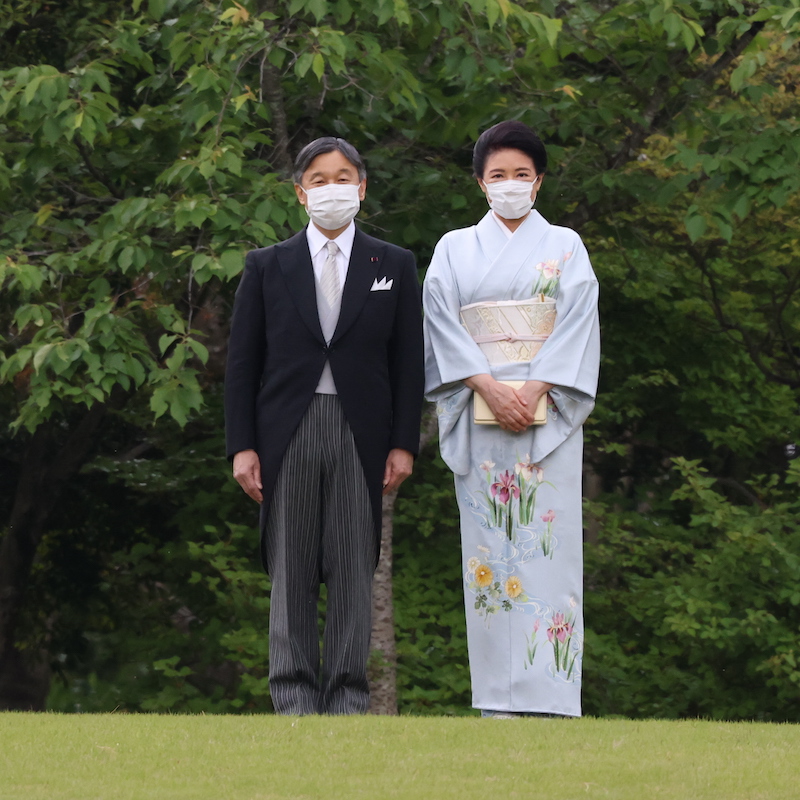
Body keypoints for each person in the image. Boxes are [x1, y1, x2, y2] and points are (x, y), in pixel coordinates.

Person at [225, 137, 424, 715]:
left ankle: (346, 696)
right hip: (286, 429)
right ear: (299, 193)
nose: (331, 188)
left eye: (343, 177)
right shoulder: (267, 265)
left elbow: (407, 364)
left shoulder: (394, 264)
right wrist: (242, 447)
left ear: (361, 188)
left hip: (363, 432)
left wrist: (402, 444)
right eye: (318, 178)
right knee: (289, 563)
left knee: (352, 561)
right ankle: (292, 695)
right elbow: (243, 365)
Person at [422, 121, 600, 718]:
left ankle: (552, 696)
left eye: (521, 174)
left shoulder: (567, 245)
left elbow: (577, 321)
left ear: (539, 180)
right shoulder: (453, 248)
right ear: (480, 183)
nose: (510, 185)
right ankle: (496, 699)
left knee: (548, 547)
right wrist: (489, 387)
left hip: (546, 413)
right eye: (498, 175)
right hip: (480, 407)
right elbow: (441, 321)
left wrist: (536, 387)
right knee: (488, 555)